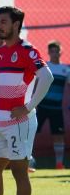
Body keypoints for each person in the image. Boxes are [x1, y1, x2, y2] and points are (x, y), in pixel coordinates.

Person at [0, 6, 54, 195]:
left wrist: (28, 107)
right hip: (0, 121)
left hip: (20, 121)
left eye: (3, 21)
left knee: (18, 171)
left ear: (16, 24)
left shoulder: (27, 50)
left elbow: (47, 77)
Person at [37, 41, 69, 169]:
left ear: (61, 52)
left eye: (57, 51)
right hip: (42, 107)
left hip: (56, 109)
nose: (55, 53)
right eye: (52, 51)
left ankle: (59, 164)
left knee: (58, 136)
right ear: (49, 52)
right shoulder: (44, 67)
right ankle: (27, 163)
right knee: (31, 133)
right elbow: (36, 84)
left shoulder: (66, 70)